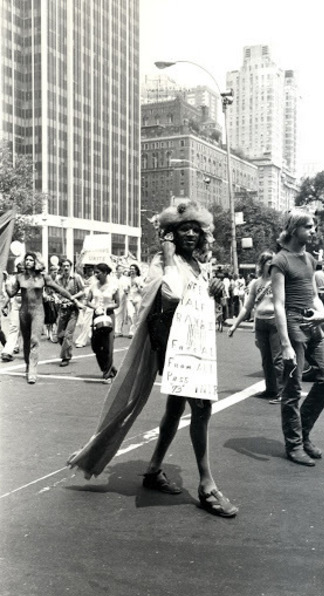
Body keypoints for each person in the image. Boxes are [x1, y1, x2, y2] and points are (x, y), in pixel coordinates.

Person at [68, 200, 238, 518]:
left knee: (176, 409)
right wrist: (170, 256)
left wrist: (213, 290)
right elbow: (170, 295)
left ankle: (154, 468)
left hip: (196, 349)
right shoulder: (162, 264)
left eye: (195, 229)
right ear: (171, 234)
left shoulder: (198, 266)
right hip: (174, 351)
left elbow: (198, 307)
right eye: (182, 228)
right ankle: (206, 484)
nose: (190, 233)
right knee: (202, 408)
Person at [270, 209, 324, 466]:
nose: (313, 231)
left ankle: (304, 431)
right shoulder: (280, 260)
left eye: (313, 227)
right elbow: (278, 304)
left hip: (313, 325)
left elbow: (314, 295)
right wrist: (285, 343)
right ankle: (294, 445)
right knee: (293, 389)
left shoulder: (309, 259)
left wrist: (322, 314)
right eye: (308, 226)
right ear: (294, 228)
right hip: (293, 325)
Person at [5, 252, 81, 384]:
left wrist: (73, 299)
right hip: (23, 313)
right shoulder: (20, 277)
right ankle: (29, 365)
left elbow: (59, 289)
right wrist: (6, 284)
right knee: (26, 343)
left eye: (31, 260)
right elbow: (11, 294)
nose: (28, 262)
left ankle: (32, 371)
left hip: (38, 312)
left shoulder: (43, 277)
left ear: (36, 262)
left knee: (35, 339)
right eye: (26, 260)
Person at [228, 250, 283, 404]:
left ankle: (283, 392)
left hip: (275, 322)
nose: (272, 264)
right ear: (262, 264)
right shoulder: (256, 283)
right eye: (268, 261)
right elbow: (247, 307)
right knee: (266, 360)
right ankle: (271, 389)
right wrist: (234, 326)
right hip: (260, 322)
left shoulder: (279, 280)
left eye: (274, 261)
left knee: (277, 359)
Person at [85, 262, 119, 384]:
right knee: (95, 345)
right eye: (95, 272)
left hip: (108, 316)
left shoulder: (113, 286)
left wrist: (107, 307)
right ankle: (109, 367)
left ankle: (107, 373)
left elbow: (117, 303)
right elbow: (87, 301)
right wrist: (95, 307)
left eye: (98, 272)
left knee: (108, 345)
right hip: (97, 316)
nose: (95, 275)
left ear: (105, 273)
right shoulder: (94, 286)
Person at [55, 258, 85, 367]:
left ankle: (65, 357)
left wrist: (72, 297)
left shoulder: (76, 278)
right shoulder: (58, 280)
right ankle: (68, 350)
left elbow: (83, 291)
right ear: (61, 267)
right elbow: (55, 292)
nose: (66, 268)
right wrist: (57, 299)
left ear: (71, 267)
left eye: (68, 266)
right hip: (62, 310)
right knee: (59, 336)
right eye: (64, 266)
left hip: (73, 309)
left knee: (68, 334)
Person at [75, 264, 95, 348]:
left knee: (86, 322)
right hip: (82, 301)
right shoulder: (82, 278)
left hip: (90, 302)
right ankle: (90, 334)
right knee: (81, 322)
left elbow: (93, 292)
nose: (89, 271)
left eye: (90, 269)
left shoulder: (95, 279)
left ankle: (81, 341)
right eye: (87, 269)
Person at [127, 263, 143, 338]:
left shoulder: (140, 279)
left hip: (138, 298)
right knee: (130, 315)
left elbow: (142, 290)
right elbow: (126, 290)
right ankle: (132, 330)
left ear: (136, 270)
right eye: (130, 269)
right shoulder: (127, 279)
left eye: (133, 269)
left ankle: (136, 330)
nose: (131, 271)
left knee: (138, 314)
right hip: (129, 298)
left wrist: (137, 286)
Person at [114, 264, 130, 337]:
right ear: (116, 270)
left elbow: (126, 289)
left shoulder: (125, 279)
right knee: (114, 313)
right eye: (119, 269)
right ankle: (114, 330)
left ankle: (118, 331)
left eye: (122, 269)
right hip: (113, 297)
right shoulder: (112, 278)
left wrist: (126, 292)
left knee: (119, 313)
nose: (121, 271)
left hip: (122, 297)